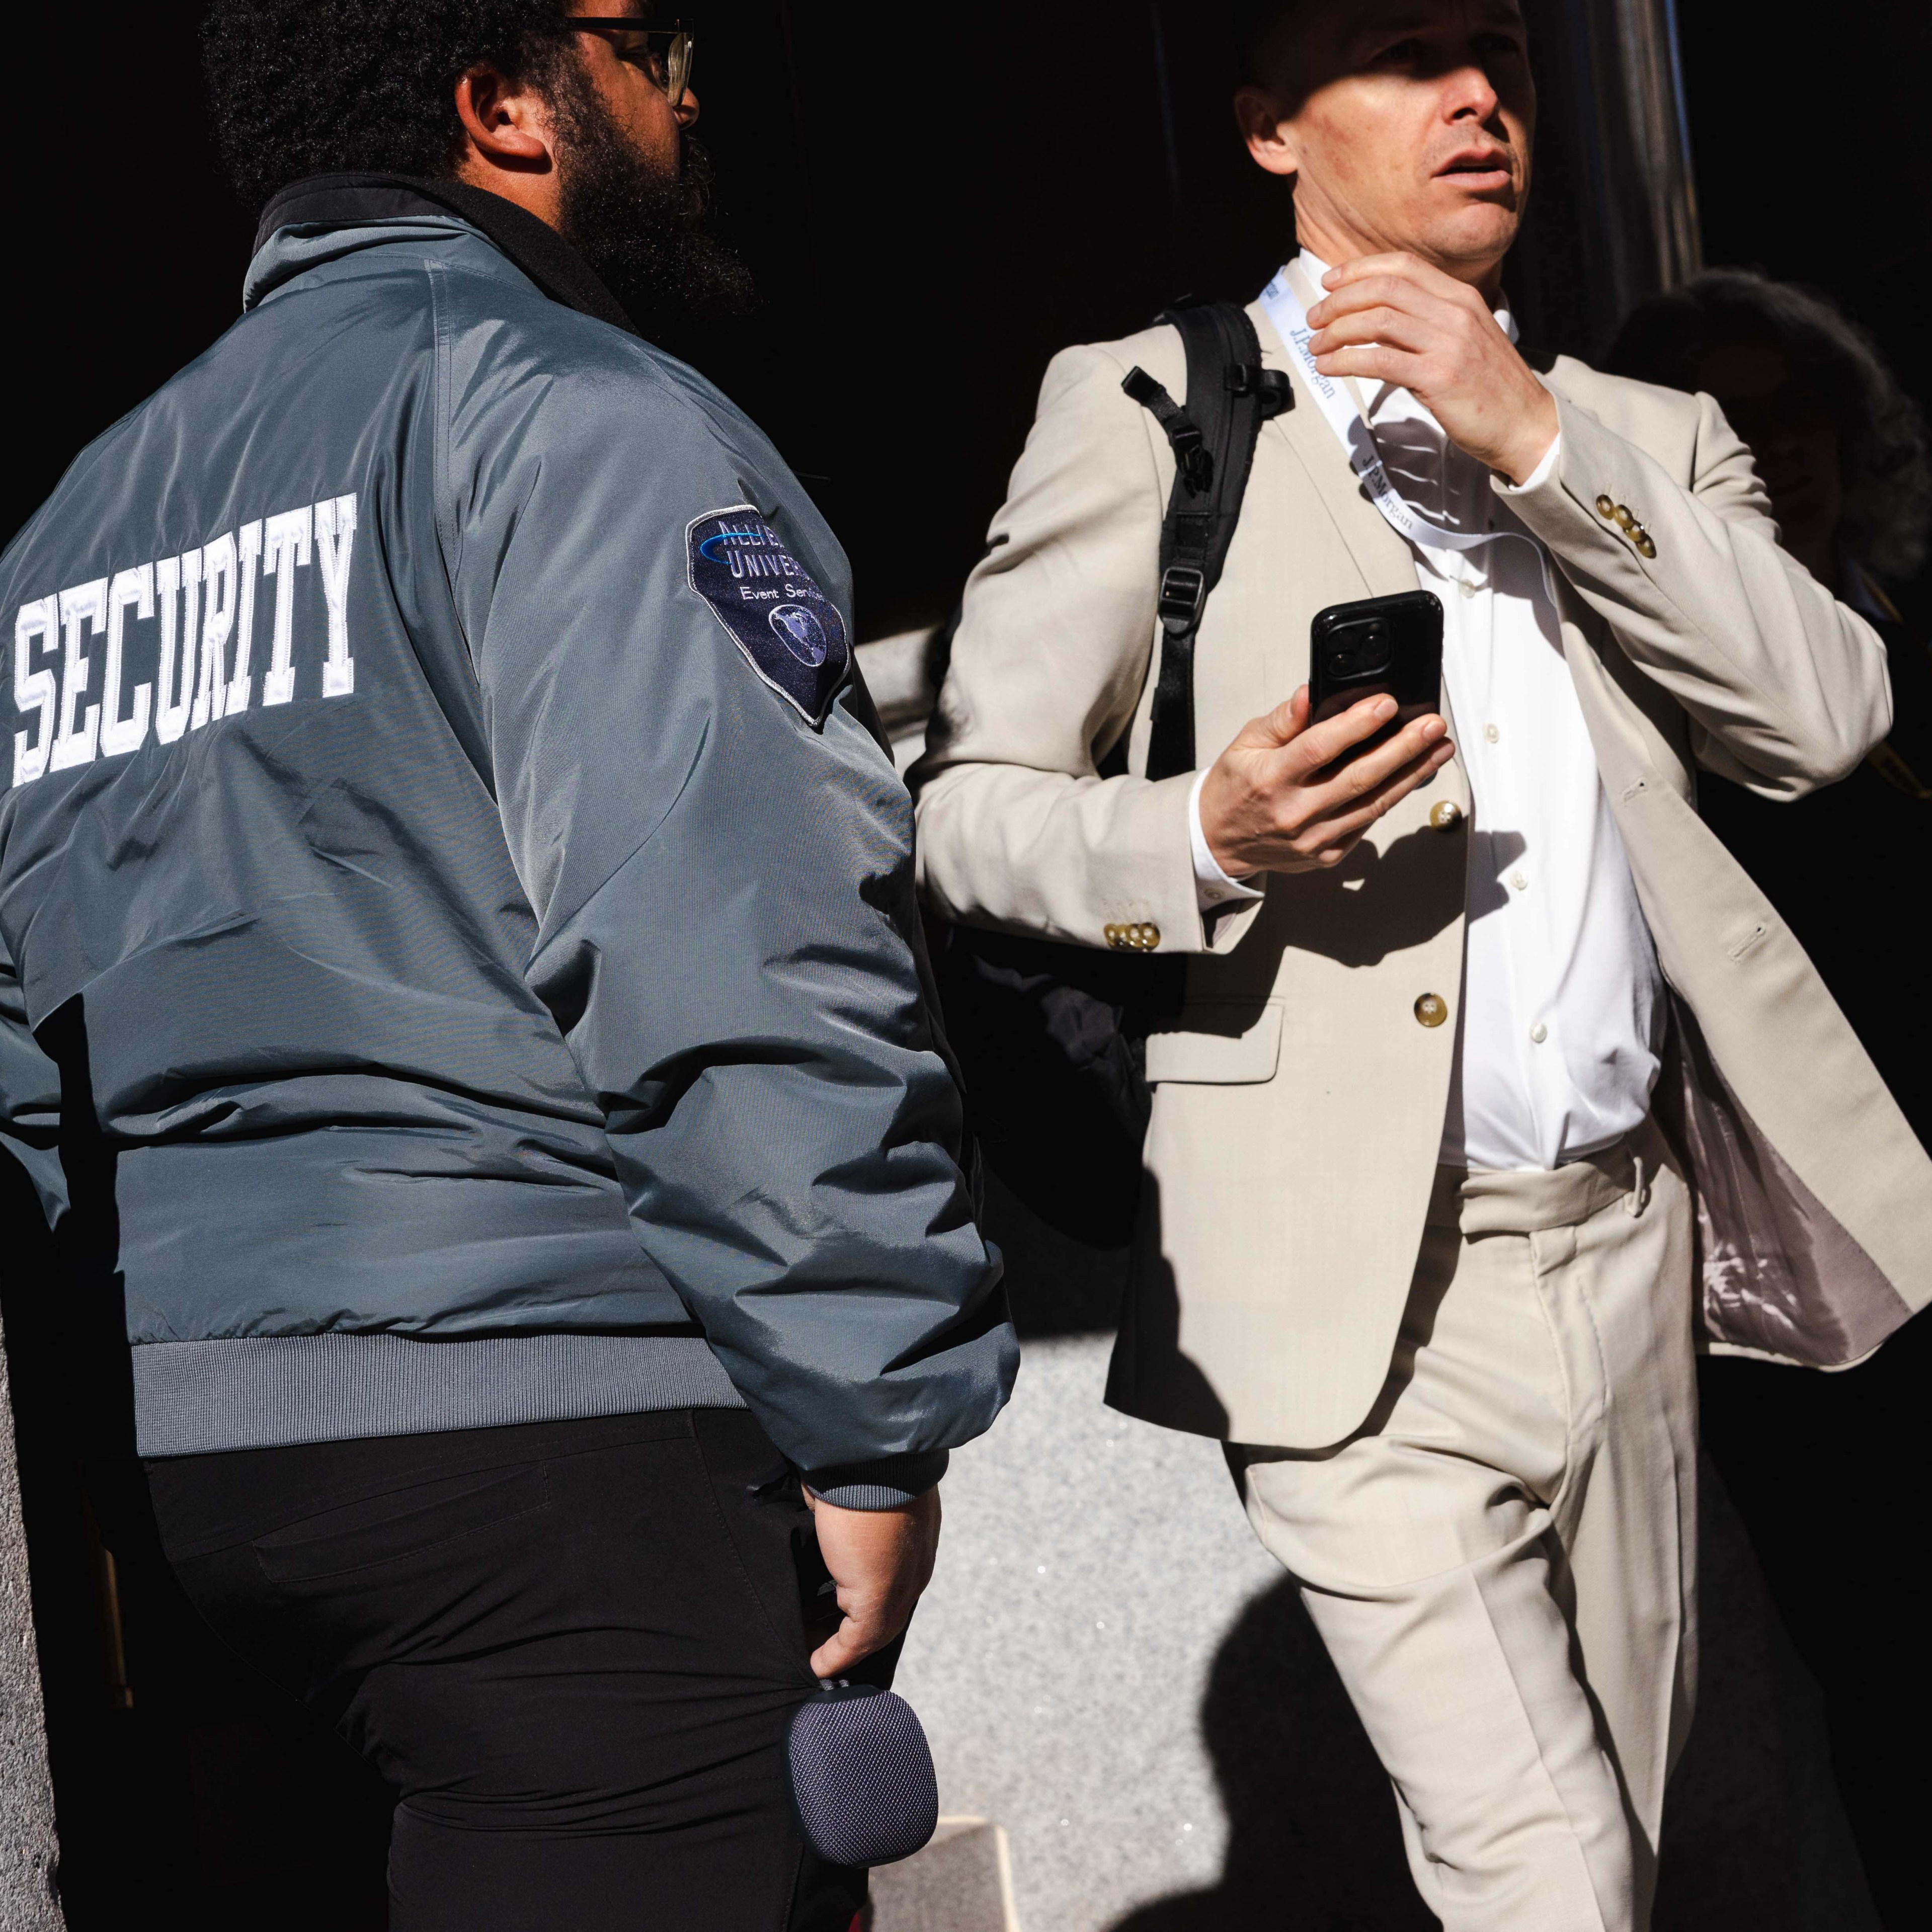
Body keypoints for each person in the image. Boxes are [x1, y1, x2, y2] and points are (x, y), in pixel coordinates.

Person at [910, 4, 1931, 1928]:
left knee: (1631, 1844)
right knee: (1548, 1882)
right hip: (1350, 1298)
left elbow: (1823, 718)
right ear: (1270, 132)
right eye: (1403, 52)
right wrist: (1201, 836)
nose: (1479, 95)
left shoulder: (1646, 435)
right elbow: (967, 807)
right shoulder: (1149, 405)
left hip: (1630, 1251)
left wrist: (1535, 434)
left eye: (1505, 53)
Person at [0, 4, 1015, 1927]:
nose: (692, 87)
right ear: (502, 104)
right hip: (560, 1446)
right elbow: (742, 937)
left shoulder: (72, 537)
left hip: (195, 1492)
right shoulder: (577, 415)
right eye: (648, 41)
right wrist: (872, 1417)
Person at [1611, 270, 1932, 1927]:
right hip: (1804, 1247)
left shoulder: (1902, 630)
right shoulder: (1656, 708)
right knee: (1889, 1660)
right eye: (1731, 422)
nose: (1778, 457)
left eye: (1795, 413)